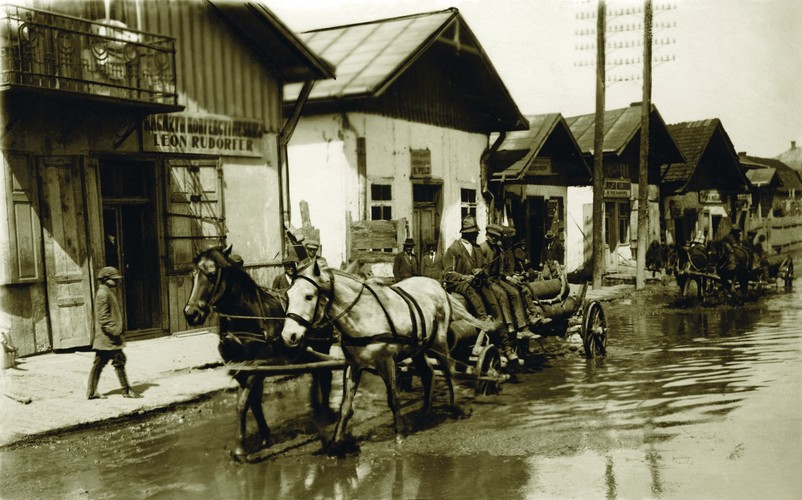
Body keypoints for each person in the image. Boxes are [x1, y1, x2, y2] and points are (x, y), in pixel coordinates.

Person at [86, 266, 142, 400]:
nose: (117, 282)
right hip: (108, 338)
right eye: (114, 279)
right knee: (119, 360)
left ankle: (92, 391)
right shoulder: (103, 294)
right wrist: (115, 332)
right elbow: (103, 318)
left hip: (107, 338)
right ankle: (126, 390)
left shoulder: (106, 291)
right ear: (105, 280)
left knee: (100, 363)